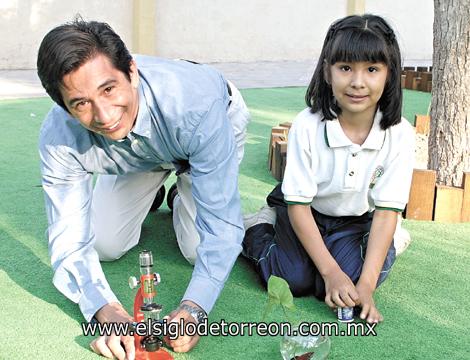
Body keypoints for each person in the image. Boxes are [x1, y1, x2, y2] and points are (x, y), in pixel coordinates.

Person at [37, 18, 250, 359]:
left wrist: (194, 309)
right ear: (64, 106)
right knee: (105, 243)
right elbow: (69, 239)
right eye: (80, 103)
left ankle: (184, 190)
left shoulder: (197, 105)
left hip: (204, 128)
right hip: (134, 155)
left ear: (132, 72)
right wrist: (106, 311)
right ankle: (153, 187)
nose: (104, 115)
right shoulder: (58, 137)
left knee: (199, 248)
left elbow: (222, 230)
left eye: (109, 89)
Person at [242, 14, 415, 324]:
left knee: (346, 284)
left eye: (372, 69)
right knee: (294, 280)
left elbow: (387, 212)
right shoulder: (308, 127)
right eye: (345, 68)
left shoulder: (399, 133)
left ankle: (390, 241)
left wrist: (365, 287)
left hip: (356, 219)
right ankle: (257, 227)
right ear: (327, 72)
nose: (358, 82)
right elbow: (299, 206)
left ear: (389, 75)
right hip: (303, 211)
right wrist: (331, 271)